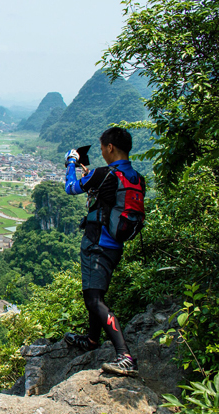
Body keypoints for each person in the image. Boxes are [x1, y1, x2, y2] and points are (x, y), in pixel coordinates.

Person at [63, 127, 144, 377]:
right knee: (95, 294)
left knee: (94, 300)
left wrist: (71, 163)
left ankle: (125, 356)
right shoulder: (137, 177)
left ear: (110, 147)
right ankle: (91, 340)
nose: (101, 152)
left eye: (101, 148)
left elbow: (71, 188)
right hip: (116, 245)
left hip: (97, 244)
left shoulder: (103, 174)